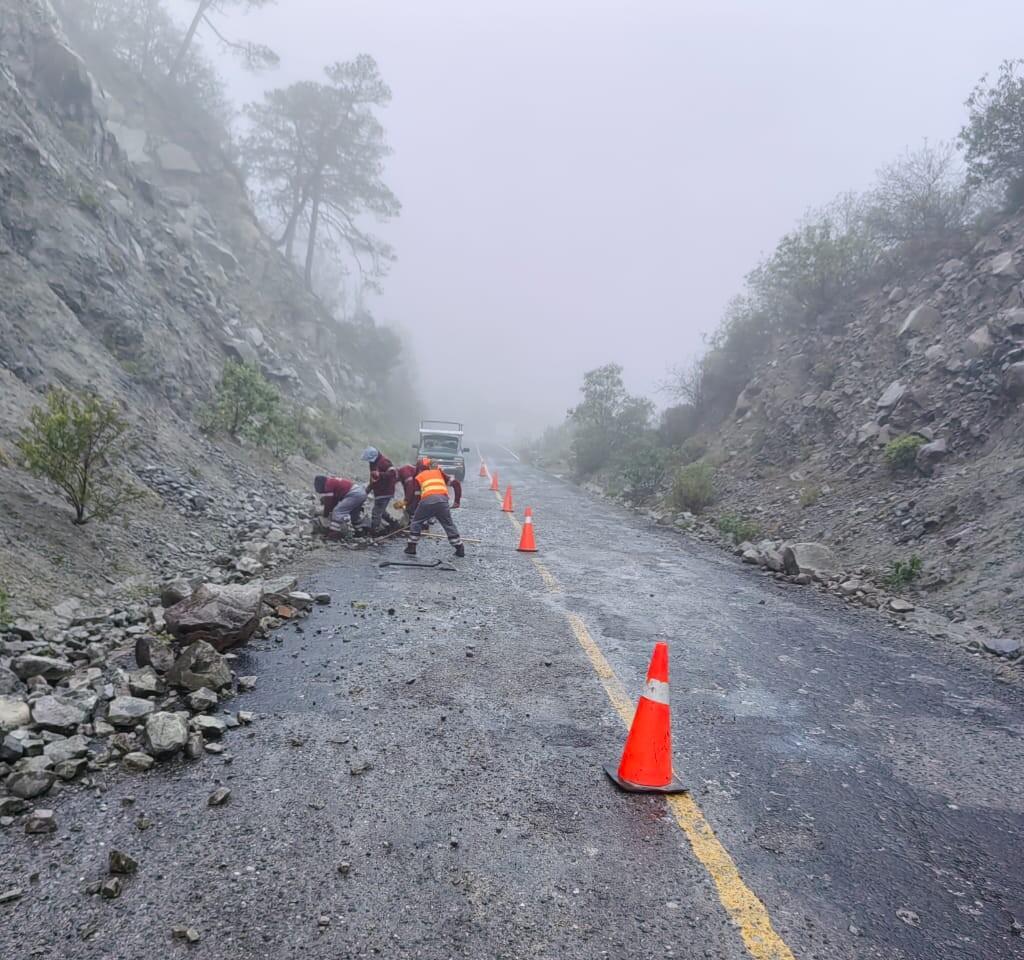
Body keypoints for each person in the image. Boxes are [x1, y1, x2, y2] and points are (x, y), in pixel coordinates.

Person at [404, 458, 464, 557]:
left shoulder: (419, 476)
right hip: (442, 502)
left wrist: (410, 507)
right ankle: (459, 548)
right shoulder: (440, 473)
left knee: (416, 522)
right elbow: (456, 483)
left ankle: (411, 547)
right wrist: (457, 501)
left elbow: (414, 495)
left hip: (427, 501)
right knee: (448, 524)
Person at [314, 475, 367, 542]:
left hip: (354, 494)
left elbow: (328, 504)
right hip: (361, 492)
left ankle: (334, 534)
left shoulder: (328, 485)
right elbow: (334, 502)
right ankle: (360, 532)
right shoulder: (332, 481)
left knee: (337, 511)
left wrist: (325, 515)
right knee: (354, 515)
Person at [360, 446, 398, 535]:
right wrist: (367, 490)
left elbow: (393, 473)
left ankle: (374, 532)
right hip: (379, 490)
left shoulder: (384, 462)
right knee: (382, 511)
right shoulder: (373, 463)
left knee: (376, 512)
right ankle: (394, 524)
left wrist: (380, 474)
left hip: (386, 491)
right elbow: (373, 478)